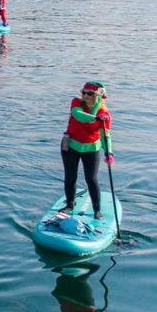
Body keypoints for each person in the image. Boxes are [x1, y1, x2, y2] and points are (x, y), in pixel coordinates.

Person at [61, 82, 113, 220]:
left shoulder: (104, 114)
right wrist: (95, 117)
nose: (85, 96)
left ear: (98, 96)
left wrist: (109, 153)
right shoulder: (76, 103)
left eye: (89, 93)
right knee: (70, 176)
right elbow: (80, 116)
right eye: (84, 92)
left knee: (91, 179)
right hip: (71, 145)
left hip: (91, 148)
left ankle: (97, 210)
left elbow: (105, 135)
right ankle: (70, 204)